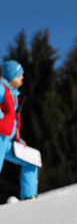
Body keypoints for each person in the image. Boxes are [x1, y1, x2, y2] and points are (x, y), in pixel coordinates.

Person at [0, 60, 38, 200]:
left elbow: (13, 122)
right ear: (13, 75)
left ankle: (29, 198)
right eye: (20, 74)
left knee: (31, 162)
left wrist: (18, 139)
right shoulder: (1, 88)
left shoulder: (13, 94)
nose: (22, 77)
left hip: (8, 141)